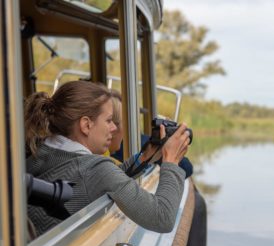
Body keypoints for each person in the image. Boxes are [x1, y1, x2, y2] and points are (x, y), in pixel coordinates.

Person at [25, 80, 190, 237]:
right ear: (86, 125)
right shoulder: (95, 169)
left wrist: (144, 157)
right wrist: (171, 161)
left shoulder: (37, 148)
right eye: (109, 121)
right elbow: (162, 218)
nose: (114, 128)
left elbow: (101, 180)